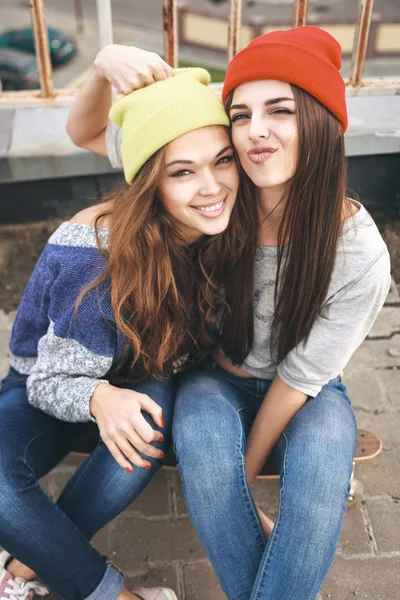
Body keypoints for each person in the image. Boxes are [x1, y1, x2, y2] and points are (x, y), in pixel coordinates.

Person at [65, 27, 391, 600]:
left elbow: (299, 379)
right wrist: (102, 64)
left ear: (321, 120)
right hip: (212, 376)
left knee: (319, 477)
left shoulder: (359, 252)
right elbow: (85, 130)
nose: (255, 130)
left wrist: (242, 477)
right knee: (207, 455)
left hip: (309, 391)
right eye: (240, 114)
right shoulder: (215, 185)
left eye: (280, 110)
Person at [0, 68, 255, 600]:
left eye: (222, 160)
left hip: (140, 384)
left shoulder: (220, 227)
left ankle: (22, 566)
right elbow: (44, 380)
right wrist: (97, 396)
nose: (212, 187)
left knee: (150, 416)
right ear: (149, 183)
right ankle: (113, 595)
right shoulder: (95, 259)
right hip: (48, 388)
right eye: (182, 172)